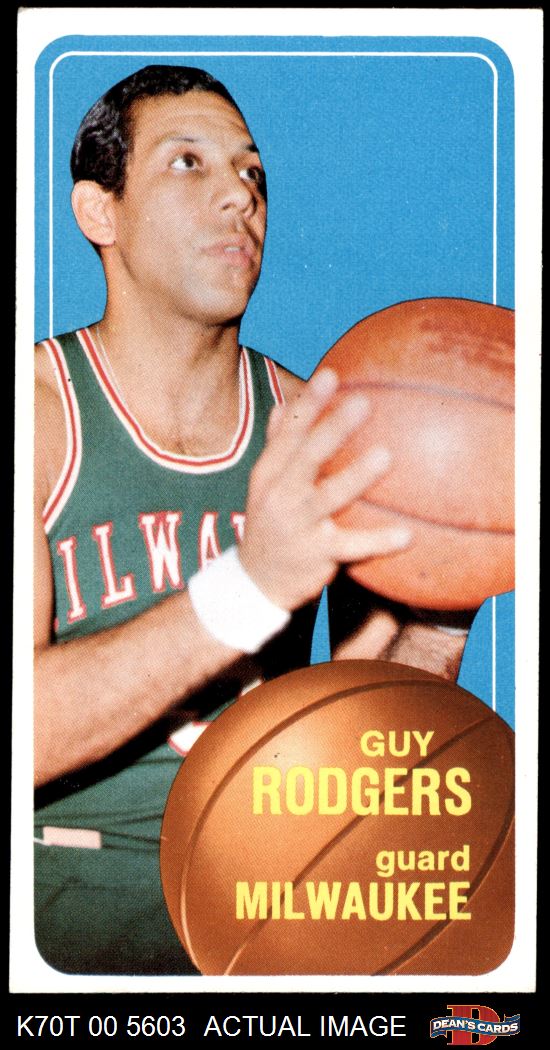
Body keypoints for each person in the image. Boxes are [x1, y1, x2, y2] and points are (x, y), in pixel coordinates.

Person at [34, 64, 468, 975]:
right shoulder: (38, 417)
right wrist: (250, 586)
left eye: (252, 172)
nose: (240, 194)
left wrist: (439, 614)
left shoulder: (321, 426)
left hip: (269, 904)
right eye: (188, 162)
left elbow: (361, 754)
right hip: (59, 912)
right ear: (98, 211)